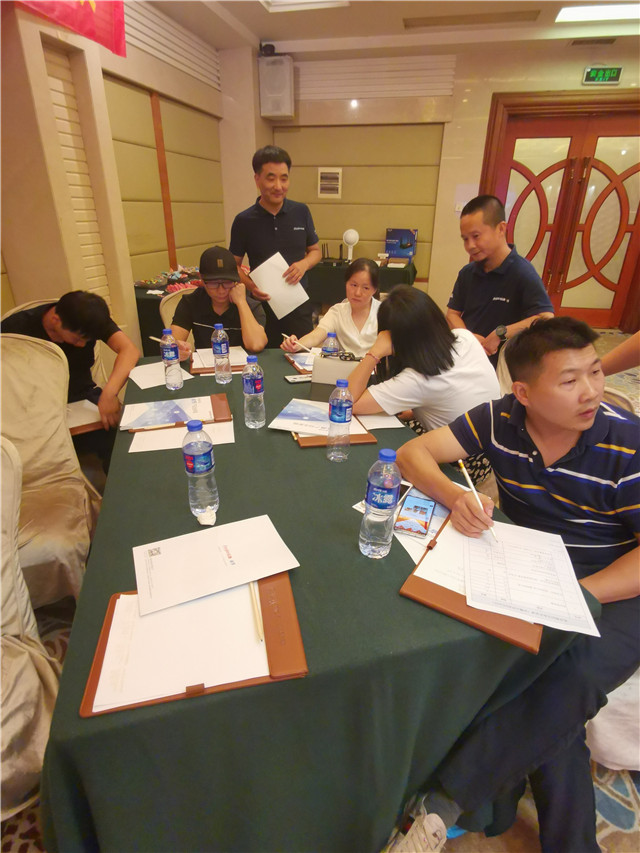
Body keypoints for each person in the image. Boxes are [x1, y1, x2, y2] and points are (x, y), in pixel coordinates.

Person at [387, 317, 639, 853]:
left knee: (570, 679)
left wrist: (582, 593)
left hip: (616, 586)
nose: (591, 391)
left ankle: (443, 803)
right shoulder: (500, 419)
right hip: (533, 568)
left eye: (595, 372)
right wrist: (456, 496)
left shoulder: (628, 444)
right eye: (569, 380)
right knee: (541, 703)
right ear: (522, 393)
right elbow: (413, 455)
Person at [2, 290, 140, 471]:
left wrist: (109, 393)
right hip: (32, 406)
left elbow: (129, 350)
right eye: (77, 339)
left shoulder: (89, 319)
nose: (82, 345)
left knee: (123, 440)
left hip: (80, 396)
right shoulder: (15, 328)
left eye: (88, 340)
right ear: (55, 320)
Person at [346, 285, 500, 433]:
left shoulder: (417, 379)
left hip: (462, 450)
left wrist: (374, 353)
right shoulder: (465, 336)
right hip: (497, 437)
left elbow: (346, 404)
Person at [229, 145, 322, 348]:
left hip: (298, 305)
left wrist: (304, 264)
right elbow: (233, 265)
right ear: (257, 179)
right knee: (264, 359)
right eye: (271, 178)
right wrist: (251, 286)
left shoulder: (301, 211)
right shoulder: (243, 220)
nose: (278, 186)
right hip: (262, 308)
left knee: (301, 356)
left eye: (284, 178)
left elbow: (315, 251)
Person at [446, 195, 554, 366]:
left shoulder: (522, 272)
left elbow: (546, 318)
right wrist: (468, 337)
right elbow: (452, 314)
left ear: (501, 229)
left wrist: (500, 333)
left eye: (476, 236)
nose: (470, 245)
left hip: (504, 365)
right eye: (465, 239)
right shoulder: (467, 273)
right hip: (469, 359)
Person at [170, 246, 267, 354]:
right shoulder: (191, 302)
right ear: (201, 278)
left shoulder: (251, 305)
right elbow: (172, 343)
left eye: (227, 282)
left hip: (244, 363)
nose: (221, 291)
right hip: (204, 363)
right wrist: (179, 349)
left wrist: (241, 303)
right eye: (213, 283)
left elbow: (256, 345)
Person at [280, 258, 380, 358]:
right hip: (344, 366)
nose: (357, 293)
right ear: (346, 283)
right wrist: (297, 344)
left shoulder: (384, 312)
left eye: (365, 288)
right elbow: (316, 336)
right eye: (353, 285)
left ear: (374, 289)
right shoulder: (338, 311)